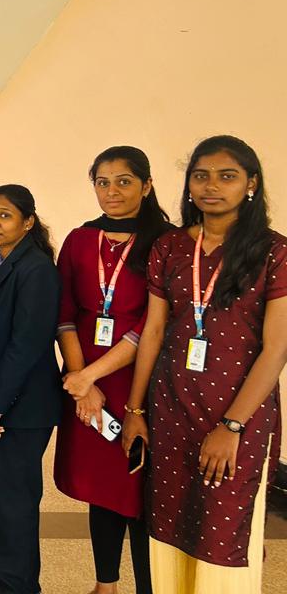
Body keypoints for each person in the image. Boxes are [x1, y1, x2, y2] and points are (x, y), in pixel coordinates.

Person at [121, 135, 284, 594]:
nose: (211, 186)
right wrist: (135, 410)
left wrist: (231, 427)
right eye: (201, 176)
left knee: (222, 535)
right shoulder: (170, 247)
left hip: (238, 416)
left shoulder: (273, 252)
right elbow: (154, 332)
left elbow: (276, 349)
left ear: (251, 184)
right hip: (171, 409)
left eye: (226, 176)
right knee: (170, 526)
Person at [54, 146, 170, 594]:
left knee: (137, 489)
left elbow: (153, 324)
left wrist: (90, 376)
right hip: (86, 379)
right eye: (102, 182)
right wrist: (81, 381)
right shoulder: (80, 239)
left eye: (124, 181)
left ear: (147, 185)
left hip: (140, 381)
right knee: (102, 486)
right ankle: (105, 584)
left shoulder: (167, 241)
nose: (112, 191)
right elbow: (64, 313)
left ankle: (148, 587)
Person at [0, 185, 61, 594]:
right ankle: (12, 581)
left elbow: (29, 342)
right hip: (6, 400)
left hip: (24, 406)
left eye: (4, 215)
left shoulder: (36, 268)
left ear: (28, 222)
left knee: (16, 500)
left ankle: (20, 586)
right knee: (5, 498)